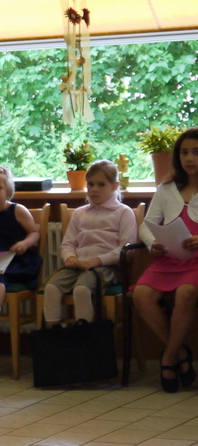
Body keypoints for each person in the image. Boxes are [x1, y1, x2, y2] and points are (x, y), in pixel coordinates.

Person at [132, 127, 198, 392]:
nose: (189, 158)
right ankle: (180, 353)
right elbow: (147, 225)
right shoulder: (166, 188)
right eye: (184, 152)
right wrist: (153, 243)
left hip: (196, 261)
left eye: (196, 152)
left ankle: (168, 358)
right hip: (169, 259)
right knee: (141, 295)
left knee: (186, 292)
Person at [42, 160, 137, 328]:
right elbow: (68, 243)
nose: (94, 189)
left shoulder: (123, 212)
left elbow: (127, 250)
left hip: (107, 268)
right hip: (78, 266)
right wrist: (70, 258)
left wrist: (98, 260)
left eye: (101, 184)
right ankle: (52, 336)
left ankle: (84, 335)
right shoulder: (80, 213)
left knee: (81, 289)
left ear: (115, 186)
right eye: (90, 184)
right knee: (51, 287)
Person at [0, 164, 42, 336]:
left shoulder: (17, 210)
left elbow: (34, 233)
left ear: (8, 191)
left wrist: (25, 243)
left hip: (15, 260)